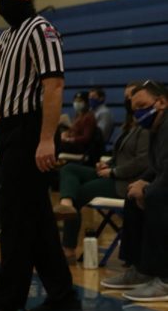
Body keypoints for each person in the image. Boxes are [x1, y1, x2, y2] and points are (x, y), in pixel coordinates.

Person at [0, 0, 83, 311]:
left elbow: (53, 86)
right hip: (10, 131)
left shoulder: (41, 31)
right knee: (35, 218)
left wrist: (46, 138)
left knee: (17, 219)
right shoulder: (8, 37)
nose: (1, 0)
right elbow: (5, 91)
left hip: (33, 131)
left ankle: (7, 297)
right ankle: (62, 297)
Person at [53, 82, 150, 261]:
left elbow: (142, 162)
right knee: (69, 169)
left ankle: (68, 249)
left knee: (78, 194)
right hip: (114, 173)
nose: (128, 100)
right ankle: (66, 203)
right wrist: (107, 165)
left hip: (124, 183)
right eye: (127, 96)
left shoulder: (145, 128)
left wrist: (113, 171)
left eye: (133, 96)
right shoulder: (129, 125)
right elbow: (120, 156)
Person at [100, 80, 168, 301]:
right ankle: (141, 268)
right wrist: (141, 183)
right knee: (133, 194)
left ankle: (165, 279)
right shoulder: (155, 128)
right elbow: (154, 166)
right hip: (163, 182)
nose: (138, 112)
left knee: (155, 197)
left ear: (161, 102)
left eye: (142, 106)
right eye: (134, 108)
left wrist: (148, 189)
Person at [59, 91, 98, 157]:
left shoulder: (88, 117)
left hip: (80, 148)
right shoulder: (78, 115)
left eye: (80, 101)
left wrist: (70, 139)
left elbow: (86, 138)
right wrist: (66, 134)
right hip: (73, 145)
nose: (77, 103)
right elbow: (73, 130)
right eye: (75, 101)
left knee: (57, 146)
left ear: (86, 103)